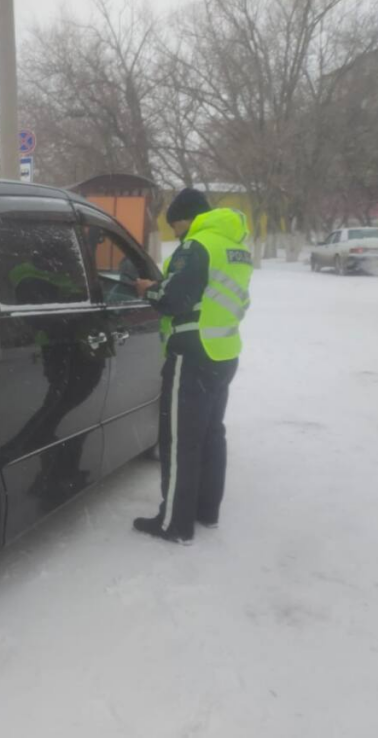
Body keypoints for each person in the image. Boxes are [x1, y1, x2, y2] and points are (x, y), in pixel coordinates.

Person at [131, 188, 253, 544]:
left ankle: (175, 524)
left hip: (192, 353)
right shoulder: (236, 247)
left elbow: (174, 299)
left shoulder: (196, 245)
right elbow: (213, 293)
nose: (175, 233)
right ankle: (206, 511)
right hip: (224, 351)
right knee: (212, 435)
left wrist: (147, 289)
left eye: (175, 225)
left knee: (180, 441)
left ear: (186, 218)